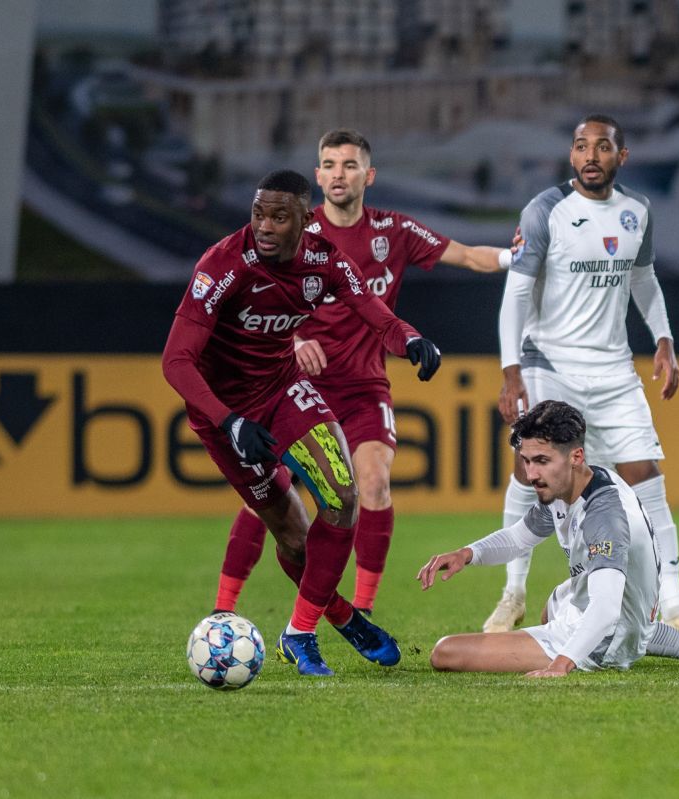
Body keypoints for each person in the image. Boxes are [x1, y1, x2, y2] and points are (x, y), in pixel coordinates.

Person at [212, 128, 511, 620]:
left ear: (368, 175)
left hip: (362, 390)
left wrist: (517, 256)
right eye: (329, 165)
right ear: (316, 175)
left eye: (349, 165)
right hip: (292, 388)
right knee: (265, 497)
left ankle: (365, 608)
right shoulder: (295, 238)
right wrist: (294, 339)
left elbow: (470, 255)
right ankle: (222, 611)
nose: (338, 174)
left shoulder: (393, 231)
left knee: (373, 482)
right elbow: (248, 306)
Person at [162, 169, 443, 677]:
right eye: (258, 214)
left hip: (281, 389)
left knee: (343, 495)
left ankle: (299, 631)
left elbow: (371, 309)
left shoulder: (323, 259)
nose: (264, 227)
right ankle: (341, 614)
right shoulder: (222, 265)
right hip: (224, 415)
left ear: (304, 219)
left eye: (278, 216)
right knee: (293, 537)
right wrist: (228, 423)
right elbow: (176, 362)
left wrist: (409, 338)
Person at [486, 113, 679, 638]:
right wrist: (511, 373)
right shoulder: (545, 210)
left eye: (602, 147)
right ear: (571, 156)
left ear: (623, 157)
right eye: (580, 146)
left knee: (646, 478)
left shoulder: (637, 210)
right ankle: (512, 595)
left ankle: (675, 604)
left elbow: (644, 278)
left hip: (615, 368)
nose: (590, 155)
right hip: (549, 362)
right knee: (530, 473)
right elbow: (517, 295)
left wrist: (664, 339)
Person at [417, 400, 679, 676]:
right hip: (631, 611)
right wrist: (467, 554)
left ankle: (599, 648)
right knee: (552, 606)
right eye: (525, 461)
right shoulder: (573, 482)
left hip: (608, 634)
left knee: (445, 652)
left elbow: (607, 607)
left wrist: (561, 663)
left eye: (541, 461)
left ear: (576, 456)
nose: (531, 474)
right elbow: (520, 537)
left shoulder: (604, 515)